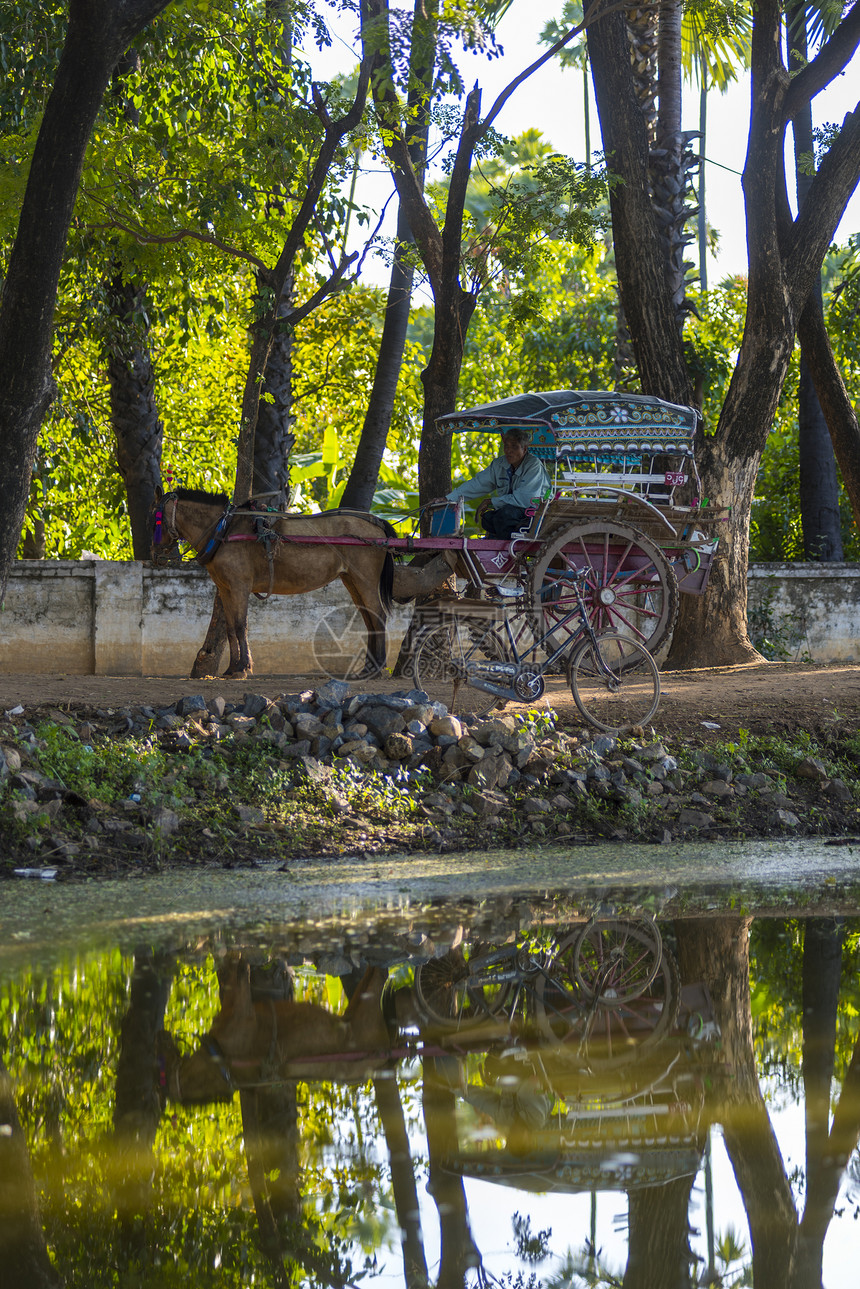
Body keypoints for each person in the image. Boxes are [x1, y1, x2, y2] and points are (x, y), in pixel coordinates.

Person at [443, 427, 550, 539]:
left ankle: (506, 552)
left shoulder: (533, 465)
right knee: (487, 518)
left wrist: (492, 501)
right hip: (509, 513)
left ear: (524, 449)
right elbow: (477, 484)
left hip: (533, 512)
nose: (509, 451)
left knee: (505, 515)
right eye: (507, 446)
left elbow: (524, 499)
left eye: (514, 446)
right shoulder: (499, 464)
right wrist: (449, 499)